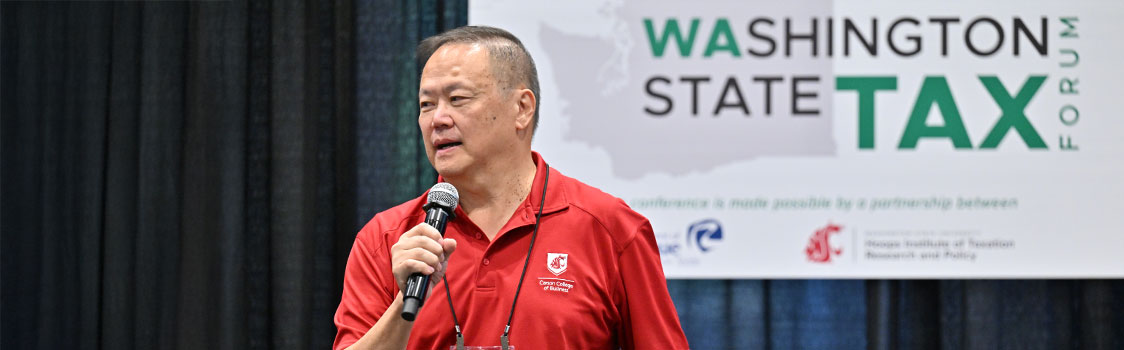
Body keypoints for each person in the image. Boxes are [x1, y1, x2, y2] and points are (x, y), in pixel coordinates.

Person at [333, 26, 688, 350]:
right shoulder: (387, 237)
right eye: (426, 105)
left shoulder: (611, 229)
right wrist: (403, 303)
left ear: (522, 109)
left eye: (457, 99)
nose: (437, 119)